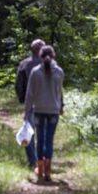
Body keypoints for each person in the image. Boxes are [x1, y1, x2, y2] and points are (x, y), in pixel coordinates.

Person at [22, 45, 63, 182]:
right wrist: (61, 106)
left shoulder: (35, 72)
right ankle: (48, 172)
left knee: (40, 139)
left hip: (38, 110)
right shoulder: (59, 72)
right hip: (53, 111)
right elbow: (59, 92)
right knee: (49, 140)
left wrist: (27, 111)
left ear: (40, 56)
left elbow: (29, 94)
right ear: (53, 56)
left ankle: (39, 170)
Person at [15, 39, 44, 170]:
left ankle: (33, 161)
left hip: (30, 103)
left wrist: (22, 99)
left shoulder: (24, 64)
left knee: (29, 132)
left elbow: (19, 85)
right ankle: (43, 161)